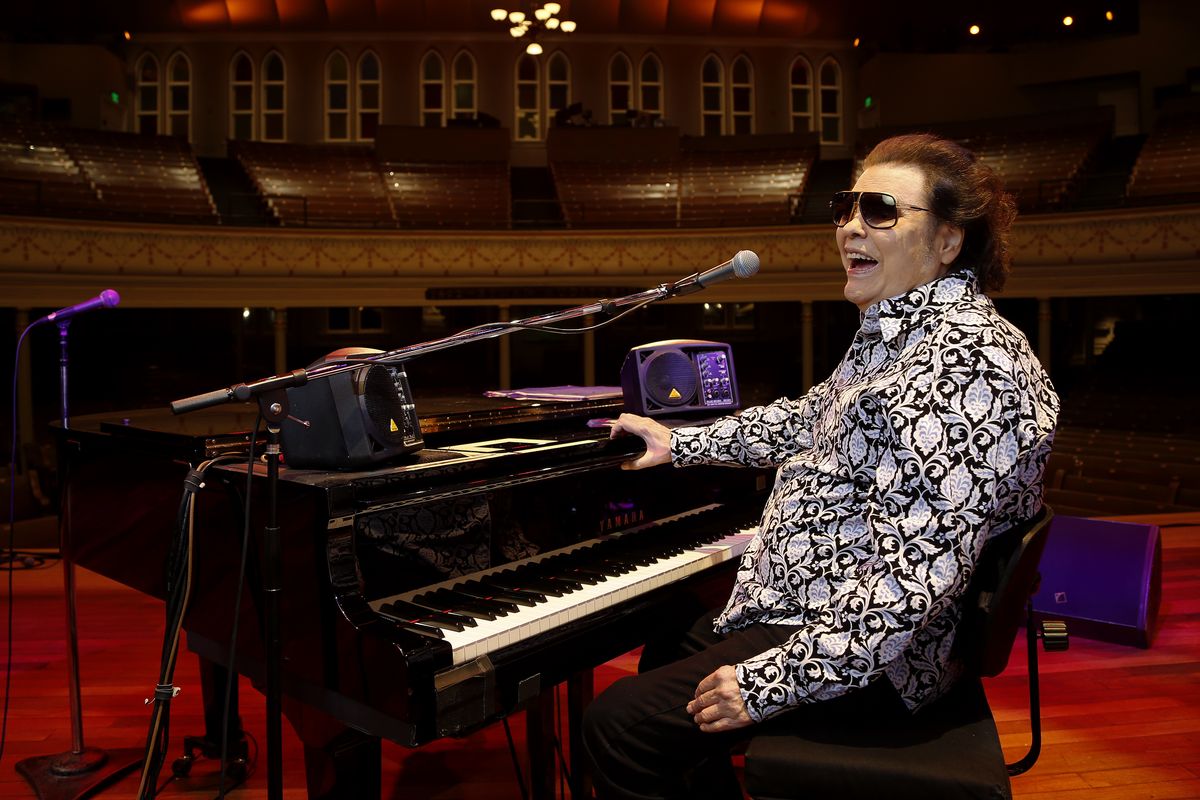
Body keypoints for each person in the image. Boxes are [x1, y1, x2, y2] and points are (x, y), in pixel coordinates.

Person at [582, 132, 1060, 799]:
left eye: (881, 211)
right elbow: (810, 419)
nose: (849, 228)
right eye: (846, 207)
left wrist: (773, 680)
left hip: (878, 660)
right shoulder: (903, 336)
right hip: (812, 604)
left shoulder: (966, 363)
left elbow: (914, 583)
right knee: (668, 647)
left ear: (949, 242)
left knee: (618, 726)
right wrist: (681, 443)